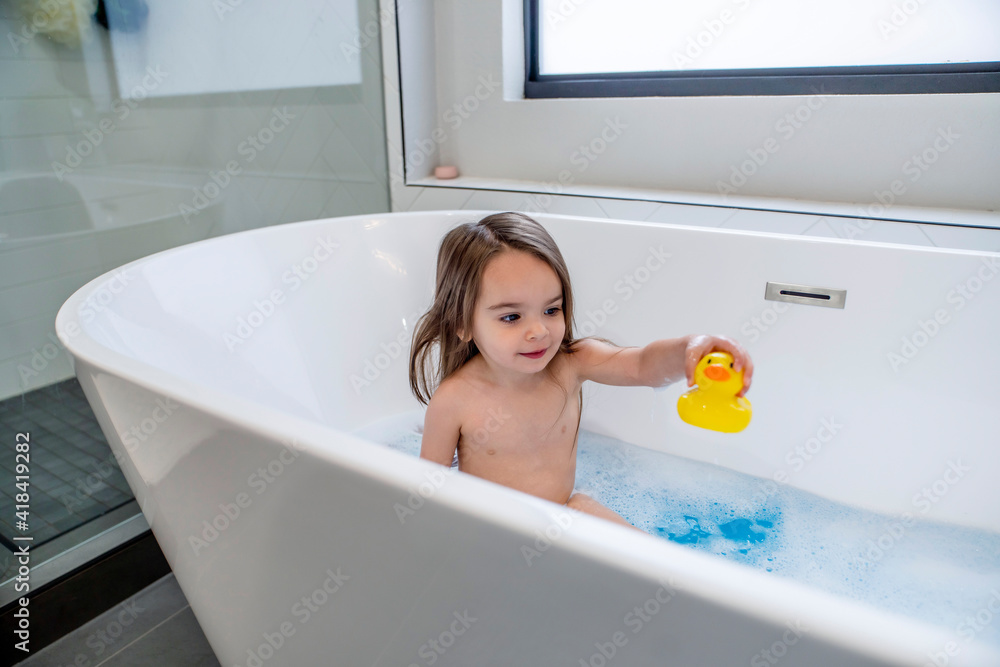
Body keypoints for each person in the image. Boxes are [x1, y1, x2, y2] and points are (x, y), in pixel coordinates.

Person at [408, 212, 753, 532]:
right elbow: (431, 493)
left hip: (566, 511)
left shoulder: (571, 363)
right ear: (462, 324)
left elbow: (641, 365)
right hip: (493, 531)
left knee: (661, 567)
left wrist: (689, 350)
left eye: (551, 309)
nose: (539, 331)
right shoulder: (454, 400)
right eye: (512, 317)